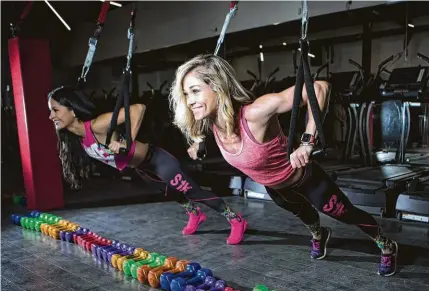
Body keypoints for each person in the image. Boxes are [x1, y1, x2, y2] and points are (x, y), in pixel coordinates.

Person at [169, 54, 399, 277]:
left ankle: (387, 245)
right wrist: (199, 142)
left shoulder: (255, 113)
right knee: (305, 215)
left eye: (195, 91)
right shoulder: (209, 121)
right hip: (276, 188)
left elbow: (319, 88)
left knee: (343, 213)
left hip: (305, 179)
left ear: (217, 87)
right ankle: (320, 234)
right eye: (187, 94)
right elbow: (202, 130)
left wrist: (308, 142)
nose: (190, 101)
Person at [47, 86, 247, 244]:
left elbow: (138, 109)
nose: (51, 116)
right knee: (172, 194)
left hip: (157, 160)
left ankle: (236, 219)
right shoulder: (78, 139)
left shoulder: (97, 125)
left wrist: (128, 140)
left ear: (72, 111)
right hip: (142, 169)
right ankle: (196, 215)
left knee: (194, 192)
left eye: (55, 110)